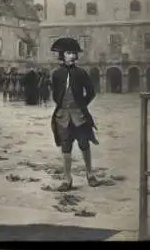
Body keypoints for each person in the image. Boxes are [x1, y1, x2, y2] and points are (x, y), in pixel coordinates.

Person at [50, 37, 99, 192]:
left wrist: (81, 104)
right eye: (68, 53)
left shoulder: (81, 73)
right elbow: (55, 94)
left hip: (79, 115)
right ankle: (67, 179)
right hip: (62, 116)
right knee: (65, 147)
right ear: (62, 55)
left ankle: (90, 174)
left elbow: (91, 92)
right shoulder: (57, 74)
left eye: (74, 53)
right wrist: (62, 105)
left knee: (84, 144)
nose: (72, 56)